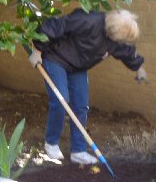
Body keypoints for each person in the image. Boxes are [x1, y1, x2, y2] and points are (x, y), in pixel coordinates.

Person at [28, 8, 148, 166]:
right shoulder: (87, 20)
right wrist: (37, 51)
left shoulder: (115, 40)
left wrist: (139, 68)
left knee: (81, 105)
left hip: (78, 66)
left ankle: (78, 151)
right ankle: (51, 142)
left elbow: (126, 51)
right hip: (56, 57)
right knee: (61, 99)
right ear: (112, 31)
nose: (120, 43)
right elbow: (55, 26)